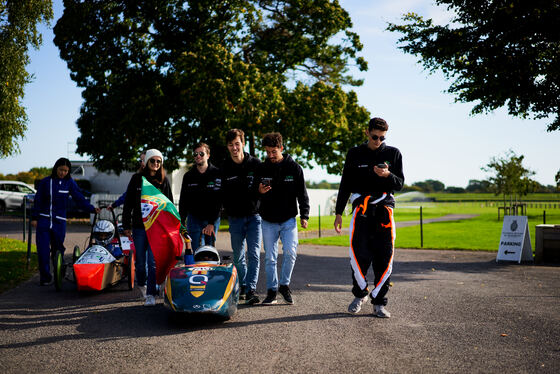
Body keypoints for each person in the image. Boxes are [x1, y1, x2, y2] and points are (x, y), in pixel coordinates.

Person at [333, 117, 404, 318]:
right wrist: (338, 213)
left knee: (384, 256)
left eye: (382, 137)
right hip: (361, 212)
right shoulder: (355, 153)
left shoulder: (393, 153)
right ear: (367, 133)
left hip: (384, 212)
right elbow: (345, 184)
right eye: (374, 136)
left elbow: (399, 184)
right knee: (359, 254)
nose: (378, 141)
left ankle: (379, 303)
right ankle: (359, 295)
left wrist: (387, 175)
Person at [256, 132, 309, 305]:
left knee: (290, 252)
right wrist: (259, 191)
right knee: (270, 257)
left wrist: (305, 215)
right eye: (268, 152)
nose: (270, 155)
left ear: (281, 148)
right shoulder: (262, 168)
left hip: (288, 220)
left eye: (274, 152)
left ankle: (284, 285)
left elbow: (302, 194)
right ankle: (272, 291)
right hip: (268, 220)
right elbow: (252, 191)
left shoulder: (294, 168)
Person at [31, 158, 99, 285]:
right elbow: (38, 200)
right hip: (44, 220)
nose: (63, 173)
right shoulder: (46, 182)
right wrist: (35, 217)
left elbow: (79, 198)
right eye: (61, 170)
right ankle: (45, 277)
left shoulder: (70, 183)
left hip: (59, 222)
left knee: (58, 249)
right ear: (56, 168)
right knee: (43, 250)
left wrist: (91, 209)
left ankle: (59, 273)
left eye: (66, 171)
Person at [122, 149, 173, 306]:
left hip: (156, 229)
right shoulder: (136, 179)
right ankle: (143, 285)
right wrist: (126, 225)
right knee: (140, 263)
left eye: (159, 161)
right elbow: (128, 204)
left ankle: (151, 294)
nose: (156, 164)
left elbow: (169, 205)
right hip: (138, 228)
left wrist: (171, 227)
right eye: (153, 161)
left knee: (152, 263)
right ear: (147, 162)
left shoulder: (164, 181)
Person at [221, 129, 262, 305]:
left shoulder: (256, 164)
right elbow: (221, 193)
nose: (234, 147)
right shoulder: (224, 167)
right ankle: (243, 285)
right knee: (238, 256)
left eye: (237, 143)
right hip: (235, 218)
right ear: (228, 147)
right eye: (231, 145)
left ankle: (251, 289)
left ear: (243, 143)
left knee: (253, 254)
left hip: (254, 217)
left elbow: (264, 188)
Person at [179, 142, 222, 253]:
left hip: (211, 219)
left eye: (201, 153)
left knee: (209, 252)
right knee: (197, 251)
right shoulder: (188, 176)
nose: (198, 156)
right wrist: (182, 221)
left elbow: (219, 200)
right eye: (196, 154)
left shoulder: (217, 173)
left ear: (208, 155)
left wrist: (211, 223)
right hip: (193, 219)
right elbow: (183, 200)